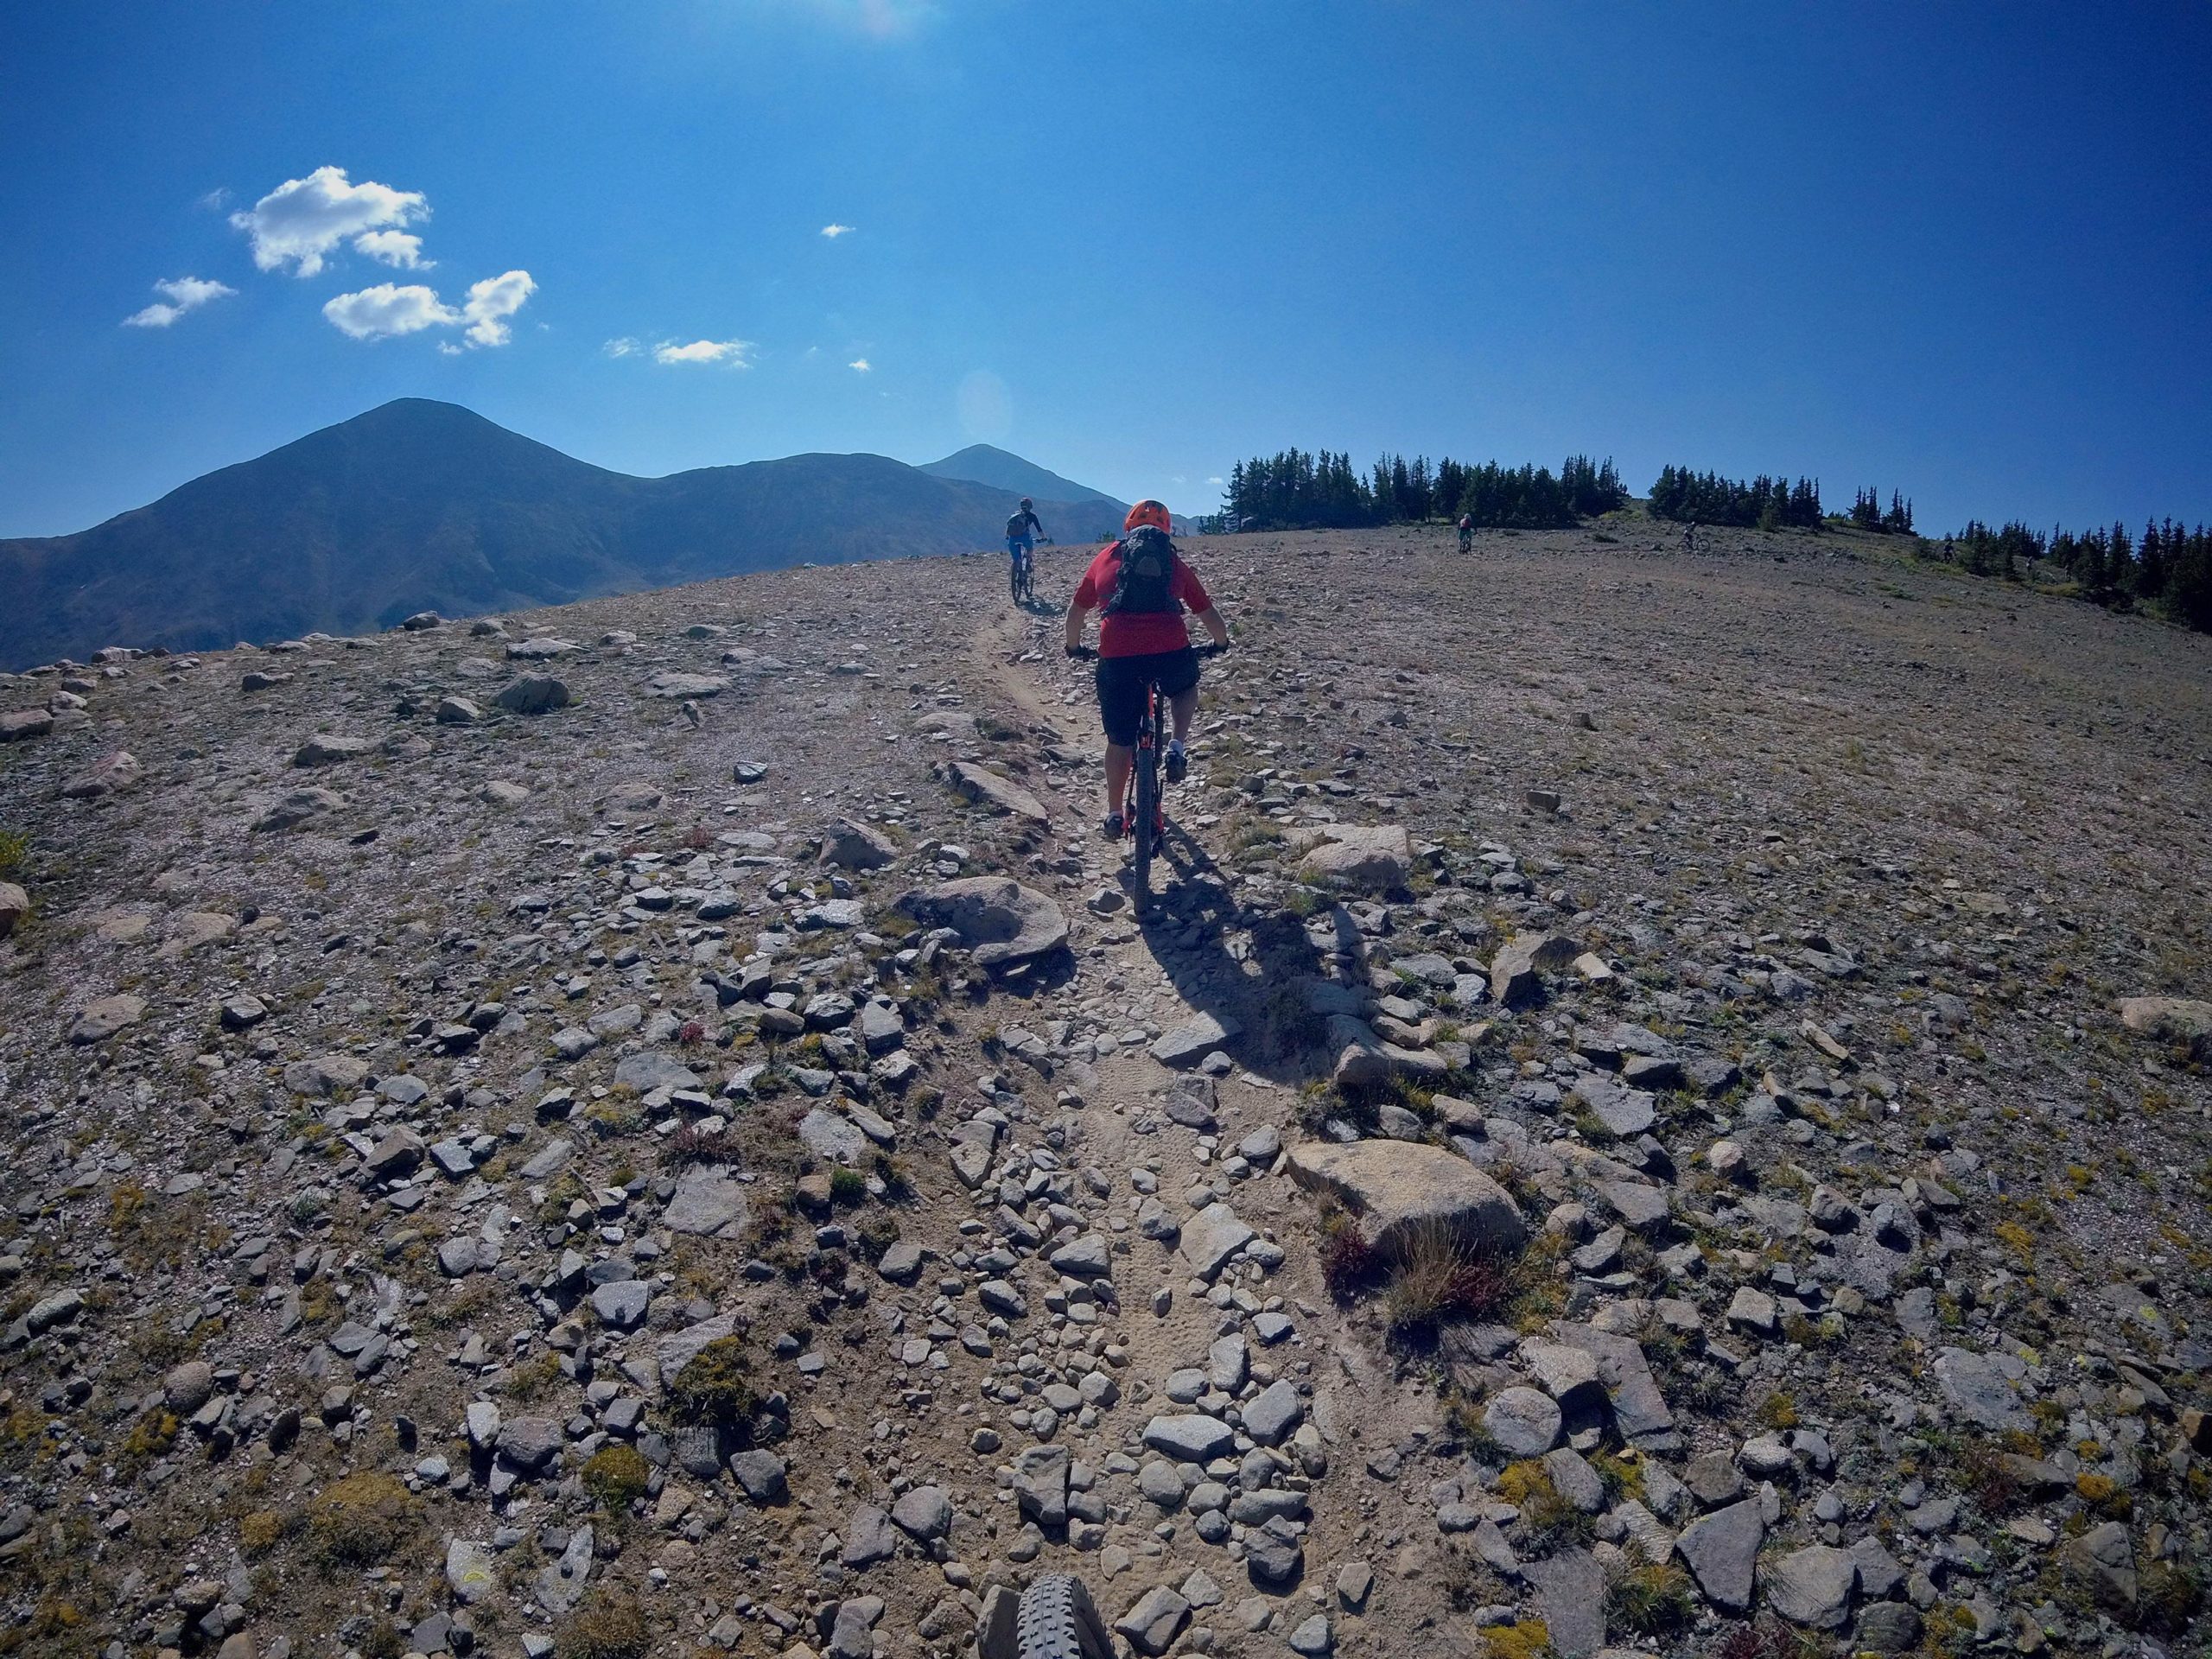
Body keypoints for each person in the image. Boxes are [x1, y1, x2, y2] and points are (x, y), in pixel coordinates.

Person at [1064, 499, 1230, 840]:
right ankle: (1177, 747)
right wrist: (1221, 643)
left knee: (1119, 740)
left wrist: (1074, 647)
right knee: (1184, 687)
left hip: (1117, 655)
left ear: (1127, 528)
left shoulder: (1106, 557)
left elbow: (1076, 613)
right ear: (1166, 530)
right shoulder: (1173, 561)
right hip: (1169, 649)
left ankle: (1113, 814)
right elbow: (1208, 614)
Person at [1005, 497, 1043, 587]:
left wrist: (1007, 536)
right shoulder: (1032, 516)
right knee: (1029, 549)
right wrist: (1043, 538)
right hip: (1025, 538)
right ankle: (1028, 564)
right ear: (1030, 506)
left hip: (1012, 539)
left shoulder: (1015, 516)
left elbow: (1008, 527)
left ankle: (1015, 571)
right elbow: (1039, 529)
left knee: (1016, 559)